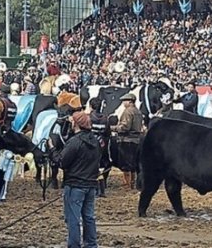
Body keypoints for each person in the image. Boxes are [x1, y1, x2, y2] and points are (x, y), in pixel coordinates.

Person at [50, 111, 101, 248]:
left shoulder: (75, 142)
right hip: (90, 184)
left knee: (73, 219)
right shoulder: (95, 141)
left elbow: (62, 162)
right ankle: (91, 244)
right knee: (89, 217)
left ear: (76, 124)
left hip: (75, 185)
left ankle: (74, 245)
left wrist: (52, 149)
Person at [110, 93, 143, 189]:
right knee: (133, 162)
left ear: (129, 101)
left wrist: (112, 128)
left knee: (126, 162)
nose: (123, 103)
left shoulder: (128, 112)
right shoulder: (138, 111)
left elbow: (125, 127)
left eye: (124, 101)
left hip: (126, 139)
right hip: (136, 139)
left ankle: (127, 184)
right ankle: (132, 183)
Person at [89, 97, 110, 198]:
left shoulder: (89, 117)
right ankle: (102, 190)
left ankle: (95, 189)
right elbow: (108, 133)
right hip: (102, 144)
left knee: (91, 167)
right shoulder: (105, 118)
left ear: (90, 106)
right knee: (100, 167)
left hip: (90, 144)